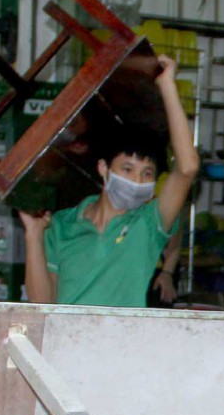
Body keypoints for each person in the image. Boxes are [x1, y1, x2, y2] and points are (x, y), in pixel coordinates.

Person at [20, 55, 199, 307]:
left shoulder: (148, 224)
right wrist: (34, 235)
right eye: (127, 169)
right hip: (68, 342)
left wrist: (167, 84)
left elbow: (187, 167)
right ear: (104, 168)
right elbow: (42, 302)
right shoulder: (61, 226)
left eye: (146, 174)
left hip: (120, 344)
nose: (136, 180)